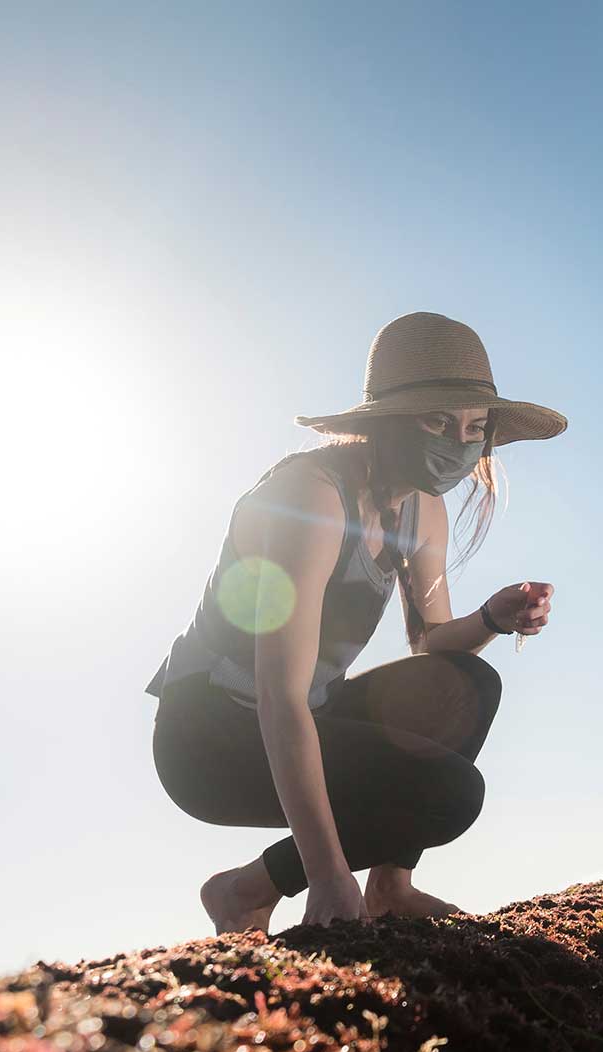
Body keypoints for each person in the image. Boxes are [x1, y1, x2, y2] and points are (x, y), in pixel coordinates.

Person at [146, 312, 564, 930]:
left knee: (471, 682)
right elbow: (278, 697)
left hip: (303, 712)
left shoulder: (422, 509)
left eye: (475, 428)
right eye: (437, 421)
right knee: (449, 795)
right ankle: (246, 892)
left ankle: (391, 890)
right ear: (385, 422)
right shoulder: (308, 498)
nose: (458, 442)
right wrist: (325, 877)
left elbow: (433, 645)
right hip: (210, 733)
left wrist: (491, 618)